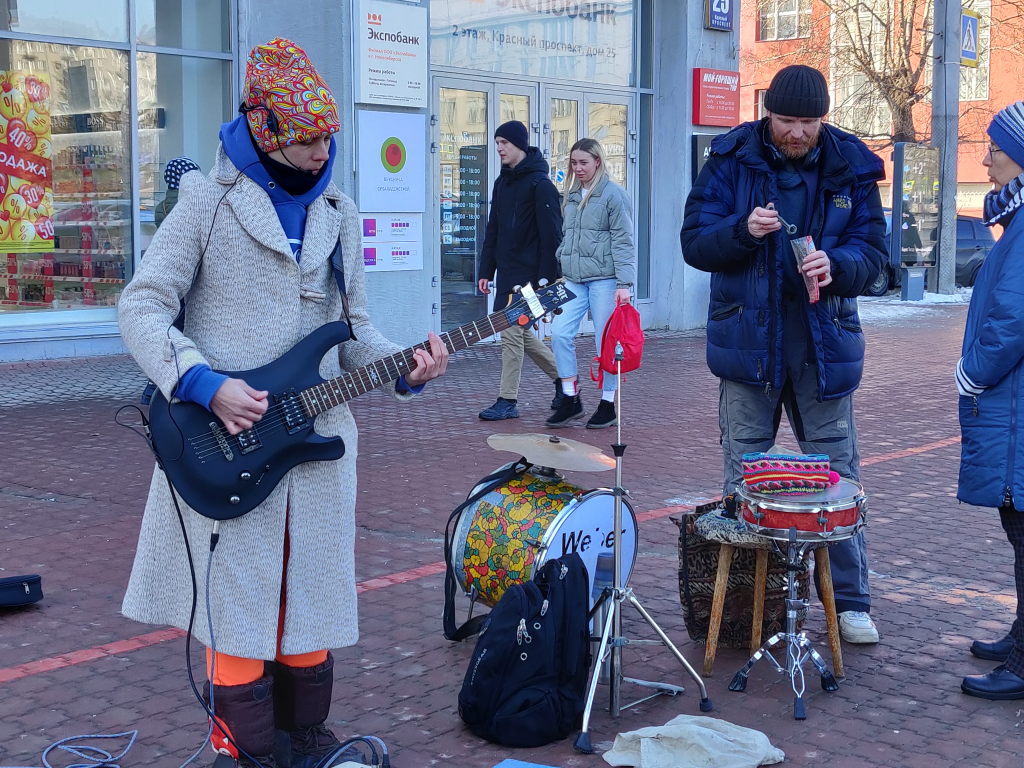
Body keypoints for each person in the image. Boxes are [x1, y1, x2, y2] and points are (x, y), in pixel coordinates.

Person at [117, 38, 448, 768]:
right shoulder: (206, 200)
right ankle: (249, 754)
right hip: (223, 436)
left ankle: (306, 742)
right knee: (235, 614)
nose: (319, 150)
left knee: (312, 602)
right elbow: (141, 306)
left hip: (320, 445)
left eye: (327, 135)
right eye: (305, 139)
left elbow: (354, 330)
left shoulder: (340, 209)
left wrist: (405, 368)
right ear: (265, 129)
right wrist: (203, 382)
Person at [680, 64, 887, 645]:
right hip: (749, 349)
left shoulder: (853, 165)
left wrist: (837, 265)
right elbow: (694, 242)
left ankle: (849, 603)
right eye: (786, 120)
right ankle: (745, 604)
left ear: (824, 117)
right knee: (744, 476)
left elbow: (874, 252)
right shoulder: (729, 159)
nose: (797, 133)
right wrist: (743, 230)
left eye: (809, 122)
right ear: (766, 112)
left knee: (838, 479)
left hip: (823, 352)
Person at [957, 101, 1024, 701]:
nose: (986, 158)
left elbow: (1012, 319)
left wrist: (971, 374)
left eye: (996, 150)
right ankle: (1021, 634)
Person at [476, 120, 564, 421]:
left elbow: (552, 237)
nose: (499, 148)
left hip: (531, 278)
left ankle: (507, 399)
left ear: (520, 146)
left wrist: (545, 281)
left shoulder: (541, 186)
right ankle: (565, 382)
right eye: (497, 142)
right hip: (507, 275)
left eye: (505, 143)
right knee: (517, 333)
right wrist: (486, 270)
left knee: (511, 332)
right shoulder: (502, 184)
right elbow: (494, 230)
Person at [546, 138, 636, 429]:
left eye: (583, 162)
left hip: (605, 280)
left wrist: (625, 283)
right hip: (574, 279)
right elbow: (567, 235)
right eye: (574, 162)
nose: (578, 167)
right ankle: (571, 398)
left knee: (606, 344)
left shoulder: (613, 195)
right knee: (559, 334)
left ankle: (608, 403)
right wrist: (562, 260)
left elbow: (624, 240)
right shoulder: (571, 195)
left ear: (598, 161)